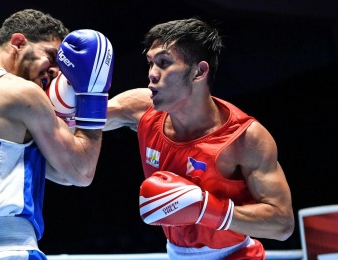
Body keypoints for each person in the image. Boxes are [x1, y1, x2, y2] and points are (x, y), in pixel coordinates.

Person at [105, 17, 294, 259]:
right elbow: (77, 119)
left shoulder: (244, 137)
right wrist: (70, 87)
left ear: (199, 71)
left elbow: (282, 224)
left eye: (164, 63)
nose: (152, 74)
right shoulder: (141, 108)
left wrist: (208, 209)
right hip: (175, 253)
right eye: (150, 63)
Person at [0, 9, 114, 259]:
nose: (57, 71)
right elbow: (81, 171)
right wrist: (93, 96)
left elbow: (64, 174)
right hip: (10, 252)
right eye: (52, 56)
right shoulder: (21, 92)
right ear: (18, 42)